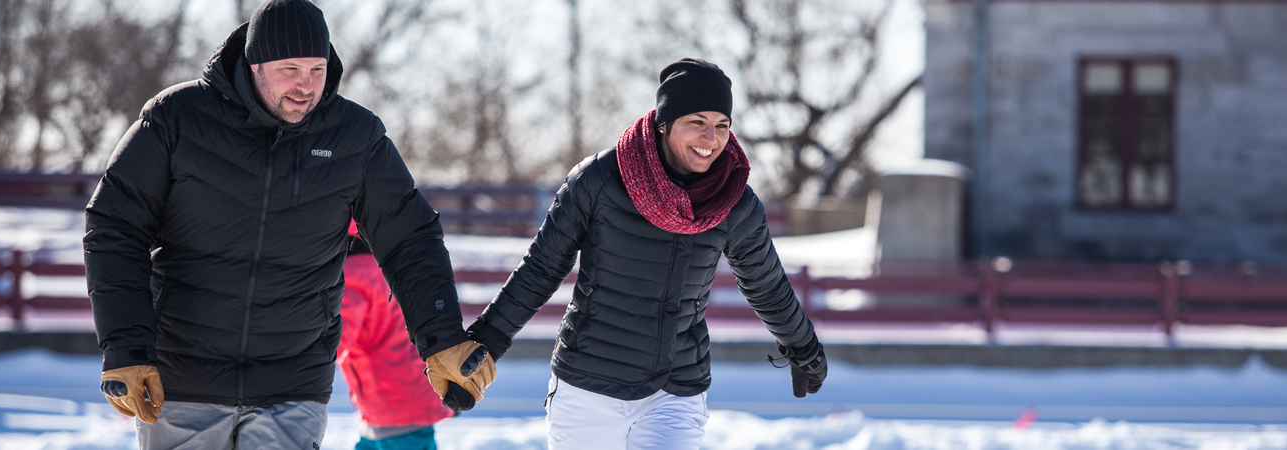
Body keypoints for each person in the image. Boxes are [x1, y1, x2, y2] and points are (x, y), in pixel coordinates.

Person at [84, 1, 495, 449]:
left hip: (292, 386)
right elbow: (115, 228)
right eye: (290, 68)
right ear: (254, 63)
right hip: (184, 382)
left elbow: (410, 240)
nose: (306, 85)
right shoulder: (177, 119)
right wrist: (126, 347)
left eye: (317, 68)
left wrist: (442, 338)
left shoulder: (354, 138)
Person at [463, 58, 828, 450]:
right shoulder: (600, 180)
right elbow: (542, 267)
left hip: (676, 390)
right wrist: (486, 342)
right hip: (589, 386)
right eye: (697, 122)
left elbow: (765, 282)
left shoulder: (733, 200)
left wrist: (803, 346)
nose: (711, 138)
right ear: (664, 123)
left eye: (722, 125)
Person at [339, 222, 451, 450]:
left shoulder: (352, 276)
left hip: (393, 400)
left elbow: (334, 339)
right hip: (402, 392)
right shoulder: (385, 266)